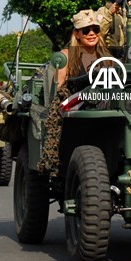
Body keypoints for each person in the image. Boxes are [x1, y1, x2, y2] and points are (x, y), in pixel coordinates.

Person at [38, 10, 113, 176]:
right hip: (76, 108)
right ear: (77, 34)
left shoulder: (107, 57)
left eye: (95, 29)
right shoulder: (66, 56)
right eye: (86, 30)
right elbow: (59, 90)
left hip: (104, 105)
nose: (92, 33)